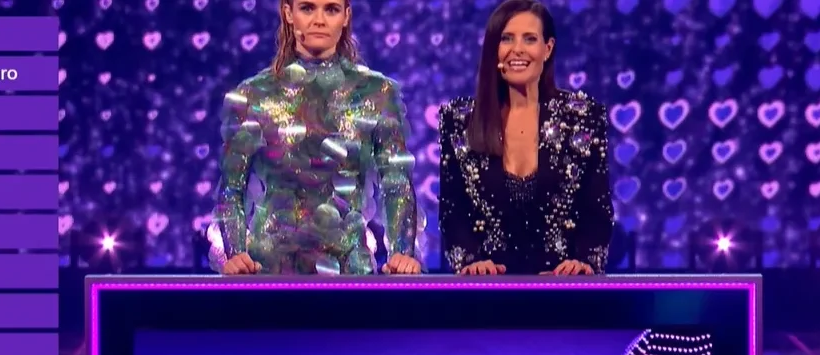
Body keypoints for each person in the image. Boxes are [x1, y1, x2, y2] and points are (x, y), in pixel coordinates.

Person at [213, 0, 422, 275]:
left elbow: (397, 183)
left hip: (350, 273)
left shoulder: (376, 93)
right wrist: (235, 253)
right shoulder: (254, 95)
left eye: (331, 9)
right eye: (307, 8)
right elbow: (231, 188)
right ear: (288, 13)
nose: (319, 20)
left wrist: (402, 254)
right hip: (271, 273)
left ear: (346, 16)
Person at [439, 0, 613, 275]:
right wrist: (470, 262)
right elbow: (453, 212)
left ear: (548, 48)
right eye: (506, 38)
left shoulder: (582, 118)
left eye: (529, 39)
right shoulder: (460, 121)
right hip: (486, 288)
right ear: (494, 49)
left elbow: (597, 208)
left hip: (563, 288)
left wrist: (584, 263)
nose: (517, 49)